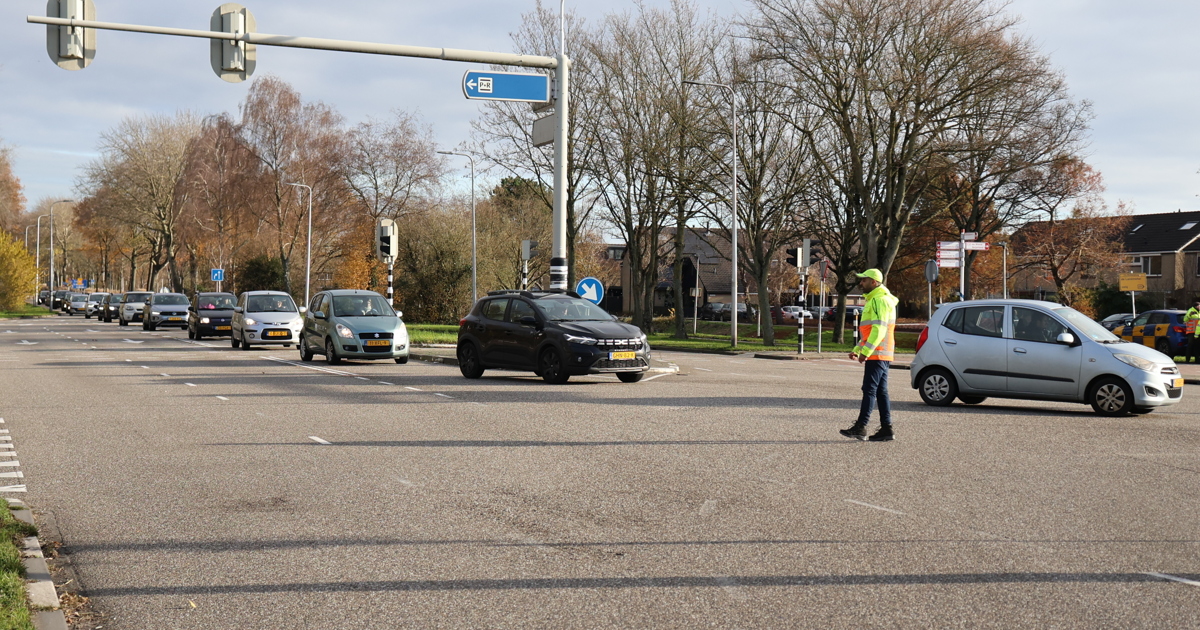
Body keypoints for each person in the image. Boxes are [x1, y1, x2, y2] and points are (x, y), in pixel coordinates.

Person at [840, 268, 900, 442]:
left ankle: (861, 427)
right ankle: (886, 429)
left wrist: (865, 352)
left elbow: (879, 330)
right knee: (880, 391)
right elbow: (870, 332)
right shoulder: (879, 299)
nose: (861, 283)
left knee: (869, 389)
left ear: (874, 282)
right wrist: (858, 348)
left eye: (864, 280)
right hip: (881, 352)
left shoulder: (879, 301)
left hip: (877, 353)